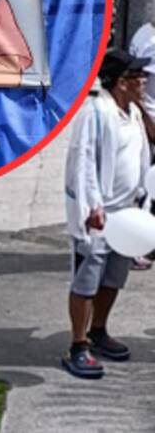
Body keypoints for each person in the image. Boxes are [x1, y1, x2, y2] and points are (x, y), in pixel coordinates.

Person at [61, 48, 154, 379]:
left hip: (126, 215)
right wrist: (91, 206)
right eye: (137, 76)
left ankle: (99, 330)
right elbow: (82, 162)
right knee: (86, 281)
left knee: (113, 278)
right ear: (120, 82)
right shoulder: (95, 113)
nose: (144, 81)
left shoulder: (132, 112)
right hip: (98, 215)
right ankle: (78, 344)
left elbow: (144, 154)